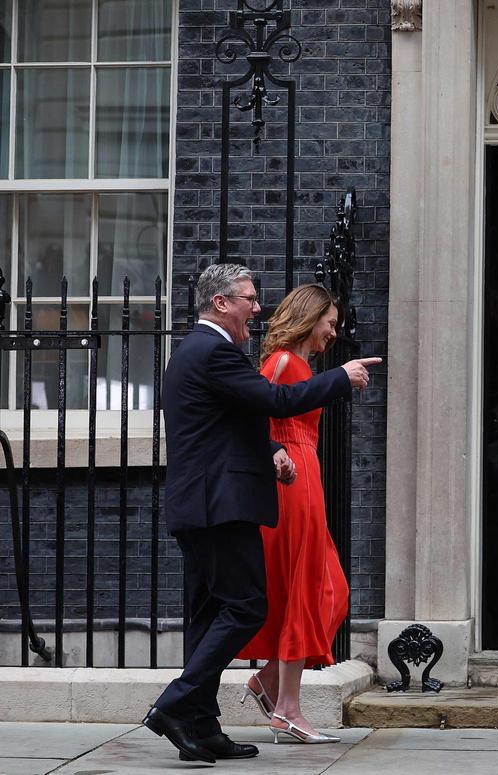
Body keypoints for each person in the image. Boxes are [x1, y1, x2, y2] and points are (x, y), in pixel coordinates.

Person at [143, 264, 379, 764]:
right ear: (221, 302)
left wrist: (269, 447)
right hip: (219, 506)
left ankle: (202, 728)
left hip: (203, 503)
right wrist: (340, 377)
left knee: (209, 618)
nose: (257, 306)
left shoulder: (196, 352)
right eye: (249, 298)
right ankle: (175, 705)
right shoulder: (213, 351)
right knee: (247, 606)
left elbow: (228, 423)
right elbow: (277, 399)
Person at [235, 283, 351, 744]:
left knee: (331, 590)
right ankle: (287, 708)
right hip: (291, 481)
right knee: (303, 586)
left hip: (307, 476)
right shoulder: (283, 362)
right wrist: (276, 455)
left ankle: (267, 682)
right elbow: (254, 420)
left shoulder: (298, 364)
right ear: (311, 316)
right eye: (330, 322)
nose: (334, 332)